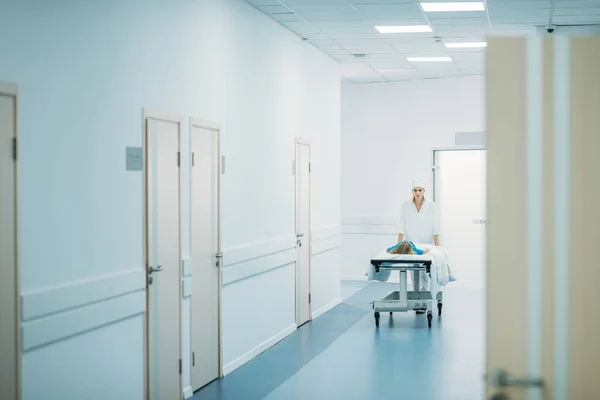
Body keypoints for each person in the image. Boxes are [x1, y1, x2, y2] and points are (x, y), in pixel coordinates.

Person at [396, 180, 440, 311]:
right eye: (415, 190)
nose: (418, 193)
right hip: (411, 244)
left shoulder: (431, 206)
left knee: (425, 272)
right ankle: (416, 297)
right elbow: (401, 227)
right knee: (413, 271)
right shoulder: (405, 206)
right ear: (412, 192)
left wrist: (437, 247)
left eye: (420, 190)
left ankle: (424, 300)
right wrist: (398, 245)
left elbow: (436, 227)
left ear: (424, 191)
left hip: (426, 245)